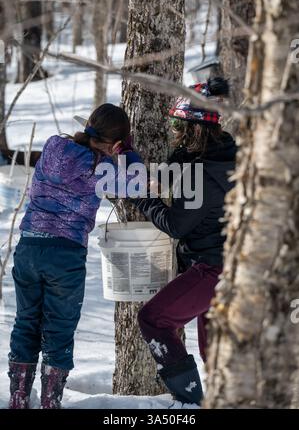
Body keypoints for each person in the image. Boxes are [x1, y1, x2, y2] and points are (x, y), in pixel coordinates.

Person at [7, 103, 141, 409]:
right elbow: (137, 182)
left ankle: (17, 399)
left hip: (28, 247)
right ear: (116, 141)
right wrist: (127, 153)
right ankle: (50, 402)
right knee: (58, 329)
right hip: (65, 254)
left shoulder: (54, 145)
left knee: (26, 322)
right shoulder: (100, 169)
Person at [131, 78, 237, 406]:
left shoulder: (205, 174)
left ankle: (189, 403)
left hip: (213, 269)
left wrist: (142, 198)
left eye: (179, 125)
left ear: (194, 129)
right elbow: (180, 164)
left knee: (154, 319)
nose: (174, 131)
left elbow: (176, 224)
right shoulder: (223, 152)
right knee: (214, 353)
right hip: (227, 265)